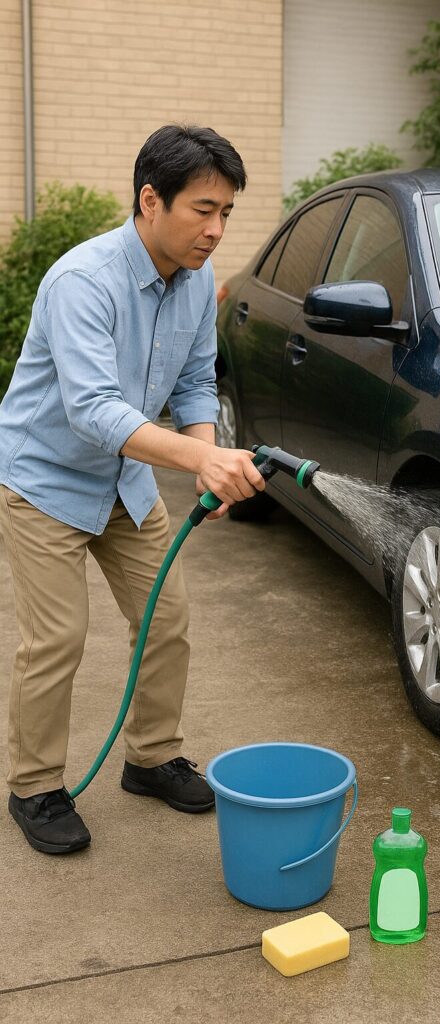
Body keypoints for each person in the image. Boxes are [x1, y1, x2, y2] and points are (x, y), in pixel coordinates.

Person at [0, 124, 266, 854]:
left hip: (126, 479)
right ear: (151, 200)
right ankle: (35, 787)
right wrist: (196, 463)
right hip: (44, 479)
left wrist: (208, 459)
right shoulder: (83, 281)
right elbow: (92, 410)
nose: (215, 229)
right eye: (202, 210)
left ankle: (150, 758)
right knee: (57, 638)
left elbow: (190, 382)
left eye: (226, 214)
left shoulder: (194, 286)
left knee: (166, 619)